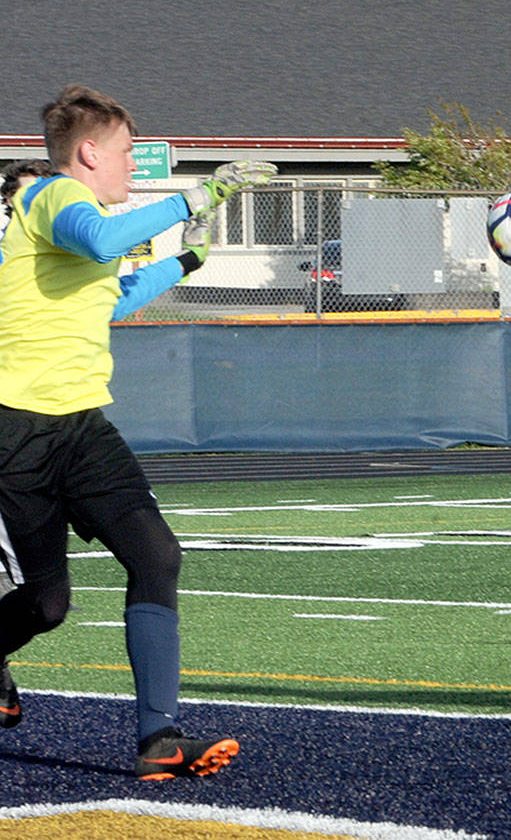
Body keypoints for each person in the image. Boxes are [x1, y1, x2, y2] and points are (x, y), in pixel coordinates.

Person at [0, 85, 275, 779]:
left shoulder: (83, 221)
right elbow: (102, 240)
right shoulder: (54, 197)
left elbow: (111, 298)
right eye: (127, 151)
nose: (134, 164)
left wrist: (184, 263)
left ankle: (160, 739)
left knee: (157, 555)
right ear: (90, 152)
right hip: (17, 431)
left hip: (81, 429)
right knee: (47, 605)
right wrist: (198, 197)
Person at [1, 158, 199, 322]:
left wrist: (182, 263)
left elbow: (106, 303)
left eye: (45, 192)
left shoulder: (71, 248)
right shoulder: (7, 253)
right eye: (29, 193)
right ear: (10, 199)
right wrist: (191, 201)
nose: (38, 198)